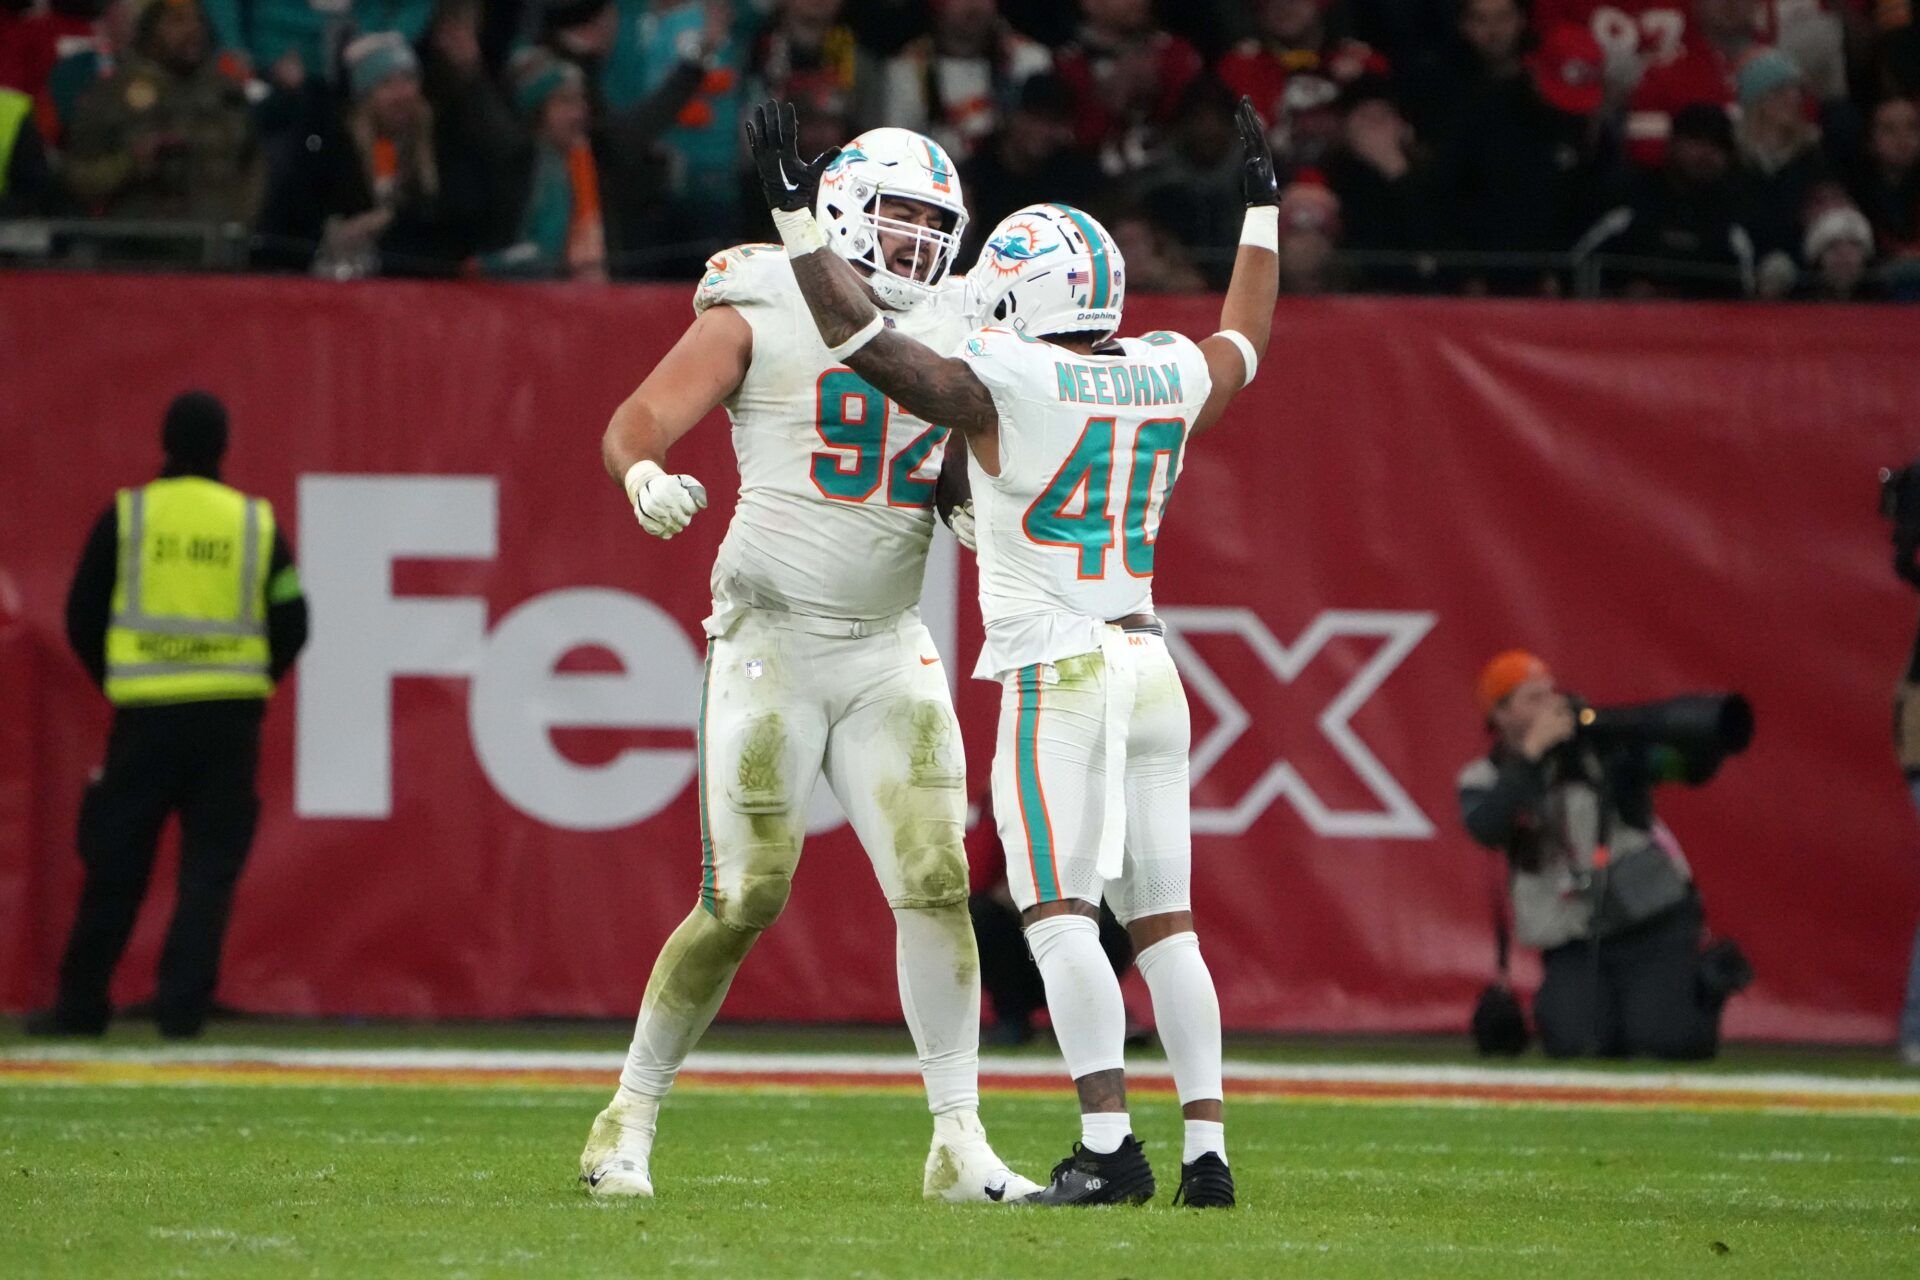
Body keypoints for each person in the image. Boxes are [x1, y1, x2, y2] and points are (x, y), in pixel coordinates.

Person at [750, 94, 1280, 1209]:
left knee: (1055, 917)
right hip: (1151, 662)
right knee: (1168, 925)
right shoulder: (1166, 370)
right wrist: (1260, 218)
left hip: (1061, 671)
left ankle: (1106, 1143)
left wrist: (800, 226)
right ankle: (1206, 1152)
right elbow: (1245, 341)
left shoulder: (1012, 378)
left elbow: (868, 346)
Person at [578, 111, 1036, 1205]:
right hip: (770, 635)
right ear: (838, 209)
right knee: (744, 895)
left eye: (938, 224)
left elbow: (965, 469)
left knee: (935, 882)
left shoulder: (961, 324)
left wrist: (975, 502)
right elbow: (637, 417)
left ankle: (958, 1141)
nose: (922, 244)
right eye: (902, 217)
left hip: (888, 643)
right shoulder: (765, 292)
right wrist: (643, 475)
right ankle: (627, 1115)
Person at [27, 392, 308, 1040]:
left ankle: (81, 1006)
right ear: (222, 446)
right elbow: (294, 616)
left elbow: (81, 611)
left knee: (115, 862)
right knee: (207, 872)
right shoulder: (252, 523)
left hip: (145, 720)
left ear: (165, 441)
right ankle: (181, 1011)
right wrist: (252, 683)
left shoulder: (129, 517)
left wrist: (121, 680)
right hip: (227, 724)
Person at [1456, 651, 1747, 1061]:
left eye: (1550, 693)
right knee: (1575, 1045)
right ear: (1500, 715)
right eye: (1532, 699)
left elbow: (1684, 768)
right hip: (1575, 935)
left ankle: (1701, 990)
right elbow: (1488, 826)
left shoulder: (1599, 752)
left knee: (1668, 1042)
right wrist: (1533, 753)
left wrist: (1699, 739)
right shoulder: (1483, 778)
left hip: (1649, 921)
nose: (1550, 705)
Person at [63, 0, 263, 225]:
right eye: (177, 21)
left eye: (198, 20)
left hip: (216, 242)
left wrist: (242, 219)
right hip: (138, 242)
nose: (193, 29)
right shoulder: (113, 94)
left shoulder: (226, 93)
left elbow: (253, 164)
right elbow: (76, 177)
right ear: (150, 30)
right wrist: (129, 163)